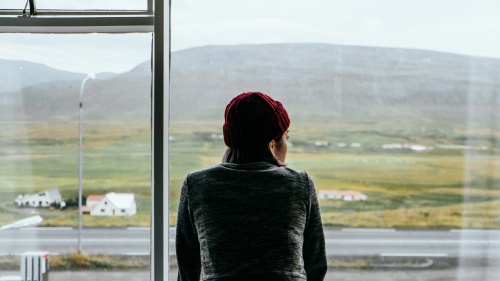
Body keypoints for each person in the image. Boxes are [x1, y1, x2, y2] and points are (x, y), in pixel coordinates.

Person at [176, 92, 327, 281]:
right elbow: (316, 263)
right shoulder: (299, 183)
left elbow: (187, 269)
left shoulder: (197, 185)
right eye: (286, 137)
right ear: (272, 143)